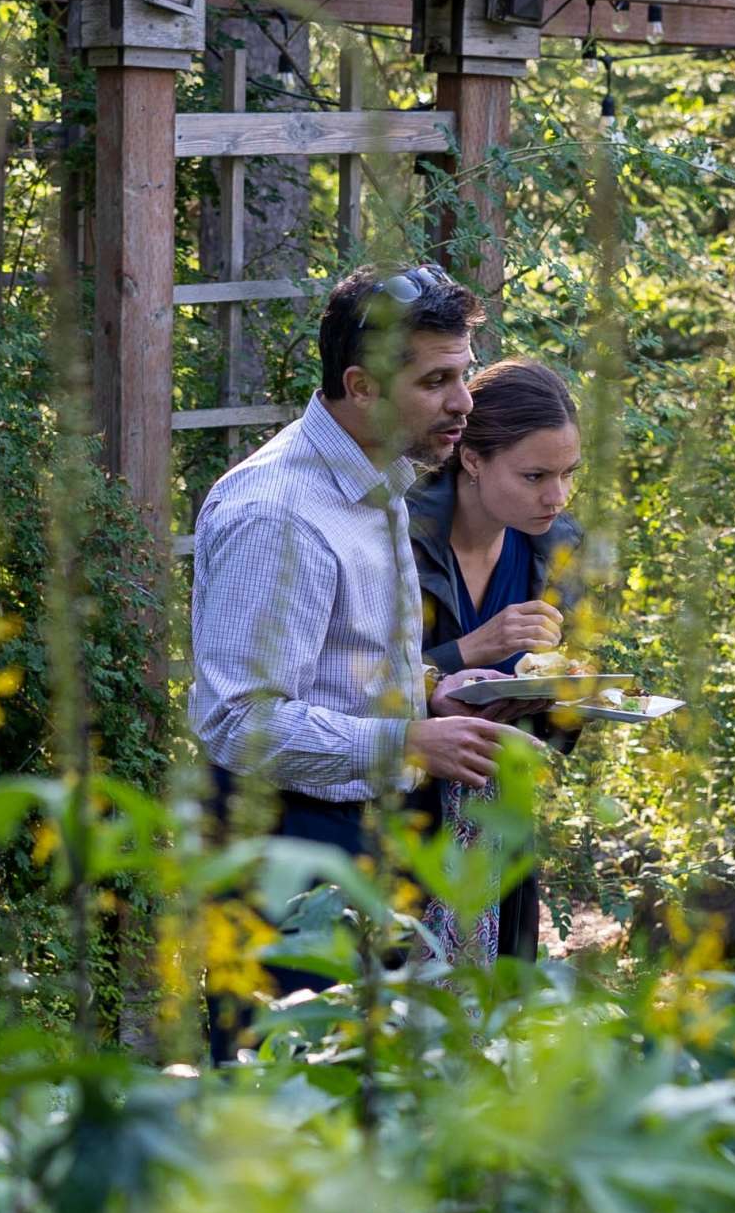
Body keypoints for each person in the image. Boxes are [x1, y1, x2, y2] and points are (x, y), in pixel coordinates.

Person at [191, 262, 511, 903]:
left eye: (463, 373)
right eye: (435, 381)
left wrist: (430, 693)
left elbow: (336, 669)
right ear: (361, 387)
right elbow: (239, 721)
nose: (464, 402)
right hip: (283, 842)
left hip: (366, 831)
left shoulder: (377, 474)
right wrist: (410, 740)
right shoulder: (277, 514)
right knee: (291, 1010)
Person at [409, 360, 585, 958]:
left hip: (499, 819)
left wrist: (568, 694)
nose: (555, 497)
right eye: (535, 475)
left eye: (568, 475)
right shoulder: (395, 534)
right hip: (394, 812)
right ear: (473, 459)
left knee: (498, 1013)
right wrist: (470, 649)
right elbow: (348, 682)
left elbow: (553, 730)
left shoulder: (557, 548)